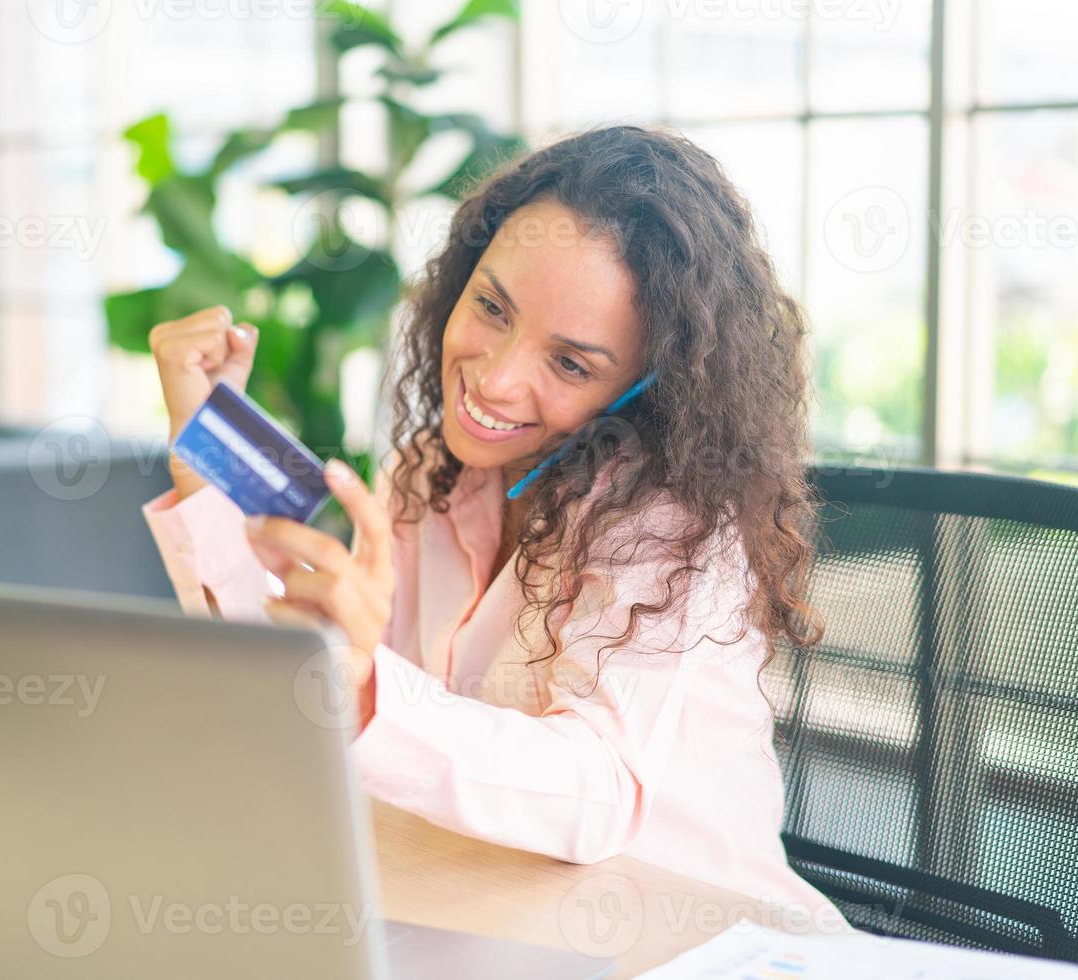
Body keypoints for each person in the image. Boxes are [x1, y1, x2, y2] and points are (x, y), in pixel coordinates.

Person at [142, 125, 847, 928]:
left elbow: (596, 790)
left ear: (648, 393)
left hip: (702, 937)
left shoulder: (673, 523)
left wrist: (367, 688)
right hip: (491, 913)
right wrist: (203, 463)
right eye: (490, 307)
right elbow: (298, 675)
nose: (497, 378)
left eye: (571, 364)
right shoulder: (431, 477)